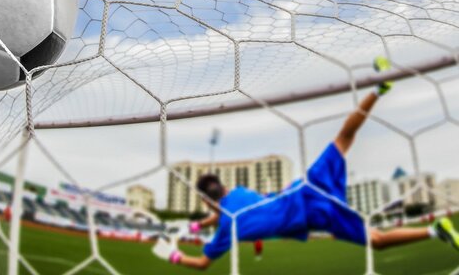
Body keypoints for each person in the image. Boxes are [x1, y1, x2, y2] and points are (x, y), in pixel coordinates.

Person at [154, 57, 459, 270]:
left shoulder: (227, 228)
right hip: (307, 188)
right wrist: (197, 222)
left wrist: (174, 255)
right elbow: (220, 213)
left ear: (207, 200)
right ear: (223, 187)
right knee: (343, 139)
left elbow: (205, 262)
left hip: (314, 216)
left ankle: (435, 230)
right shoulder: (240, 194)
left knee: (376, 241)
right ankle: (378, 90)